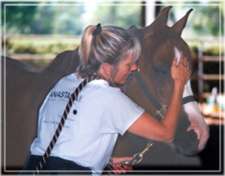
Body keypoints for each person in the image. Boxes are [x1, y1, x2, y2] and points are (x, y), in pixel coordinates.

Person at [23, 24, 191, 175]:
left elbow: (65, 143)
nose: (134, 68)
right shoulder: (108, 96)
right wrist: (179, 83)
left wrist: (104, 162)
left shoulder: (65, 82)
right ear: (107, 67)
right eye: (129, 64)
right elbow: (166, 133)